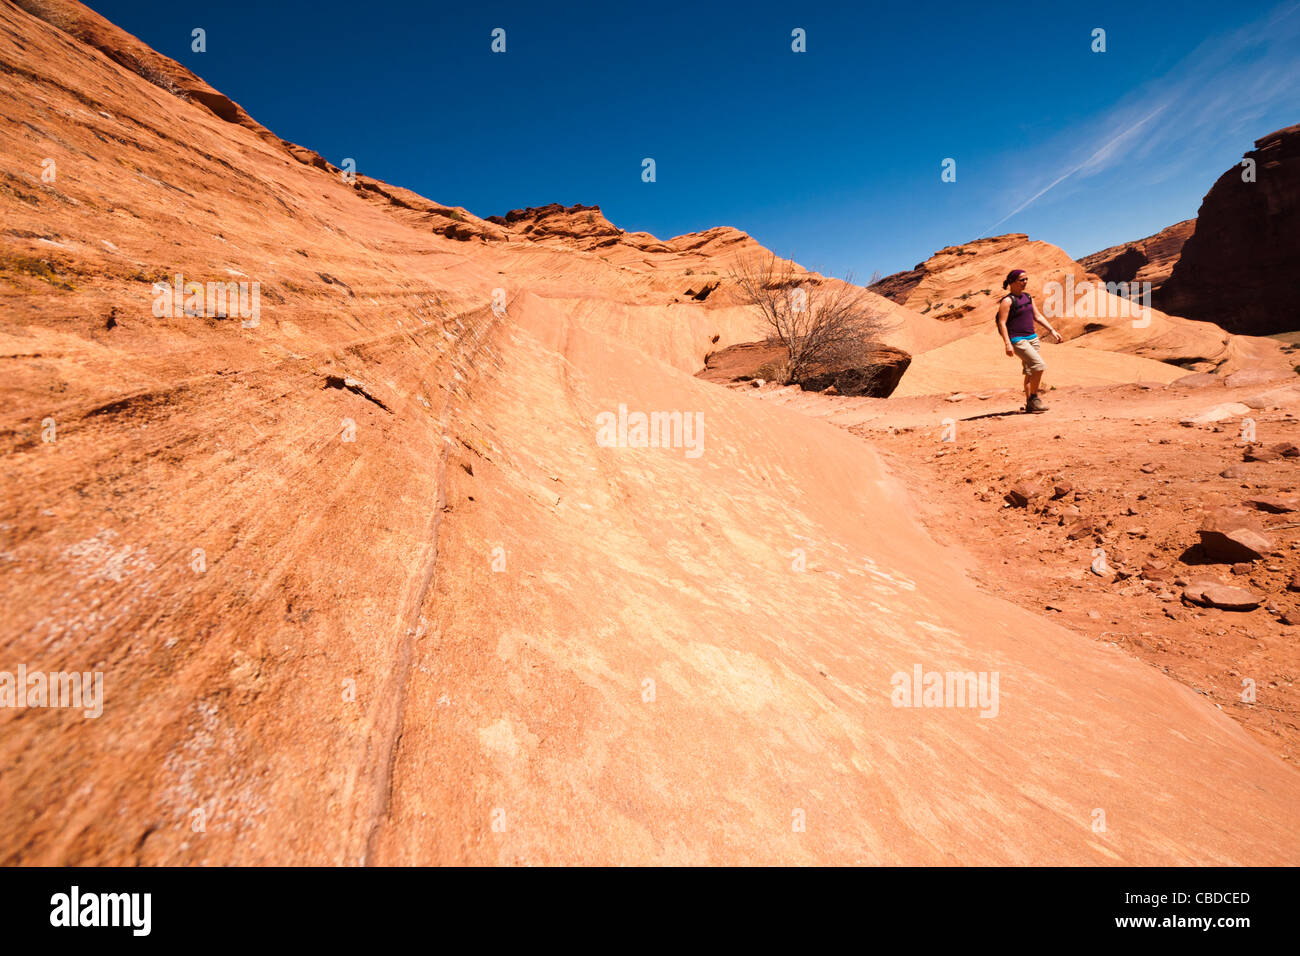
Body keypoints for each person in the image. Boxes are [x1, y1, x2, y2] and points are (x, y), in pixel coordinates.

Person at [996, 269, 1062, 413]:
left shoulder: (1028, 297)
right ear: (1012, 282)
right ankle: (1034, 397)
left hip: (1032, 338)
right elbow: (1002, 323)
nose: (1025, 282)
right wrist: (1007, 344)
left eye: (1026, 279)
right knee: (1039, 365)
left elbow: (1037, 316)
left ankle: (1030, 406)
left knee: (1030, 372)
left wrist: (1052, 330)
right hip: (1018, 340)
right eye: (1022, 280)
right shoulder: (1007, 301)